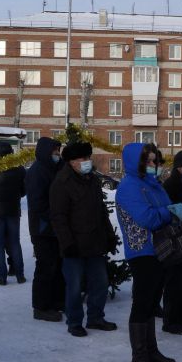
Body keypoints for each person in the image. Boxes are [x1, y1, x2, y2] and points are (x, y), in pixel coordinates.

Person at [115, 143, 182, 362]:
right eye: (149, 161)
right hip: (141, 250)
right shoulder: (129, 186)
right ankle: (139, 359)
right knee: (142, 303)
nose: (154, 166)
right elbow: (147, 218)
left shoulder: (151, 184)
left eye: (156, 161)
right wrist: (171, 211)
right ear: (138, 162)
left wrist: (169, 211)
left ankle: (151, 351)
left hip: (159, 248)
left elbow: (163, 209)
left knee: (153, 301)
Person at [50, 141, 118, 337]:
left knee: (100, 283)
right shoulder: (62, 183)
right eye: (82, 158)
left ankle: (96, 317)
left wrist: (109, 236)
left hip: (95, 242)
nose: (87, 161)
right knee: (74, 286)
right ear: (71, 162)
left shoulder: (92, 180)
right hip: (74, 246)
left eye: (88, 157)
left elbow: (101, 211)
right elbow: (58, 217)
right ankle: (74, 321)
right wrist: (67, 243)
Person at [25, 137, 66, 322]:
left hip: (55, 228)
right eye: (54, 152)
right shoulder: (37, 172)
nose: (57, 155)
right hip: (43, 229)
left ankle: (57, 301)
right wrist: (55, 216)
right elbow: (37, 203)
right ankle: (41, 307)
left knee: (57, 266)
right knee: (45, 267)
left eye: (58, 151)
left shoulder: (55, 168)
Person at [161, 150, 182, 334]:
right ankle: (171, 319)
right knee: (174, 281)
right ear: (180, 168)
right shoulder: (171, 184)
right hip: (174, 238)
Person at [0, 141, 26, 285]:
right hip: (13, 211)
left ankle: (2, 276)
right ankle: (19, 275)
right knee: (15, 243)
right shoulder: (19, 168)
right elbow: (24, 190)